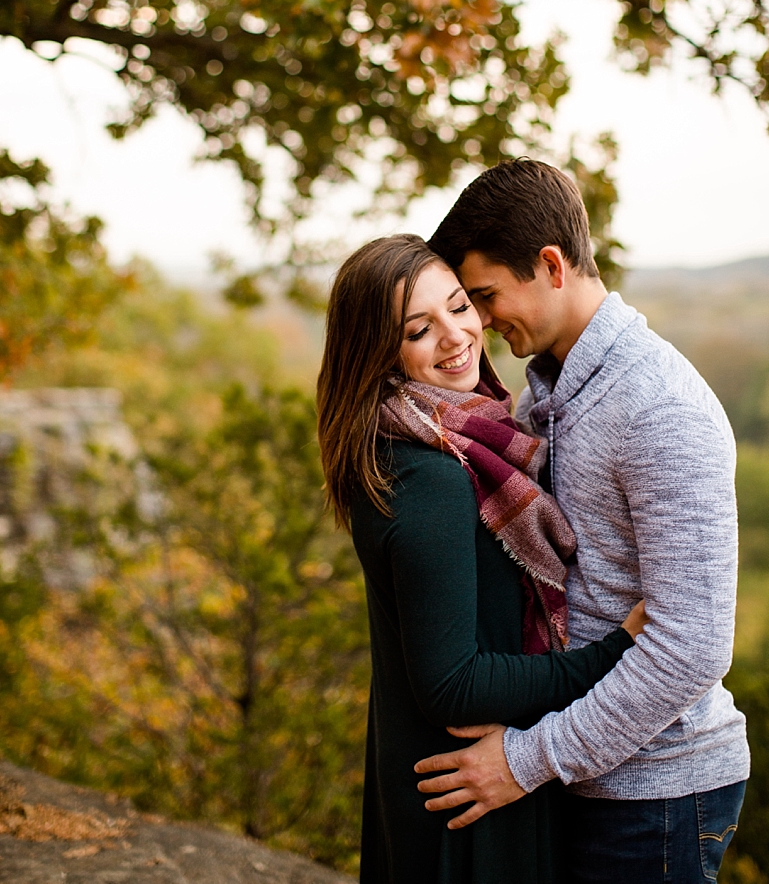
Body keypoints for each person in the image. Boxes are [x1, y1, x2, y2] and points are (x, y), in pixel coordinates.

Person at [416, 158, 749, 883]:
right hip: (579, 774)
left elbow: (691, 649)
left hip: (656, 792)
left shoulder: (658, 407)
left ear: (549, 265)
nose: (477, 321)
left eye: (482, 296)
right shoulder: (544, 395)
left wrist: (525, 760)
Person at [316, 234, 648, 884]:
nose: (454, 335)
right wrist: (613, 650)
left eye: (459, 306)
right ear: (379, 350)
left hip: (447, 786)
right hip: (468, 801)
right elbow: (451, 683)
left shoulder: (416, 443)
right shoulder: (431, 475)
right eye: (418, 328)